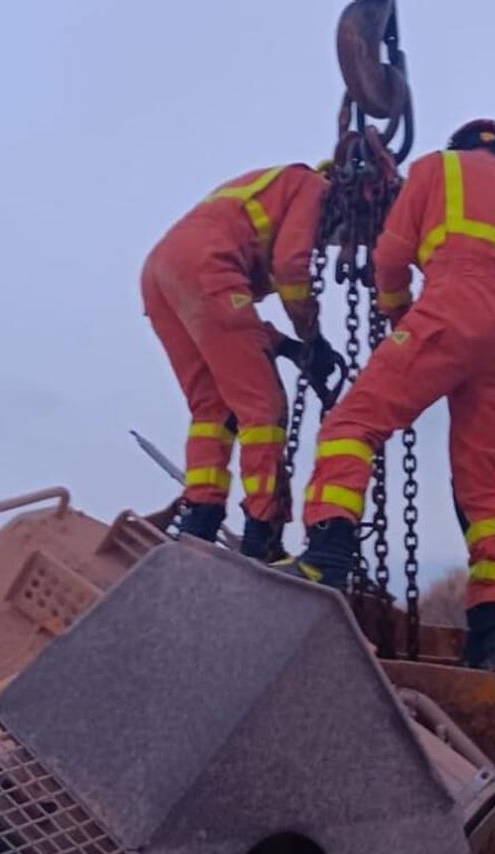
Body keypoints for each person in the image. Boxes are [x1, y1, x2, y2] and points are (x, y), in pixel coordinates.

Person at [277, 119, 495, 673]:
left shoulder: (437, 169)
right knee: (481, 490)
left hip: (447, 312)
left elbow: (391, 254)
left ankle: (327, 558)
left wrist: (399, 314)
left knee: (350, 428)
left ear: (461, 147)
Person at [141, 162, 343, 560]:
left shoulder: (265, 196)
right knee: (263, 411)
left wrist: (288, 348)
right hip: (207, 269)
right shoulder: (310, 186)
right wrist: (312, 337)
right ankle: (262, 535)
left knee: (212, 409)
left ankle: (199, 519)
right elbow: (290, 268)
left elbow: (228, 325)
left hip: (159, 273)